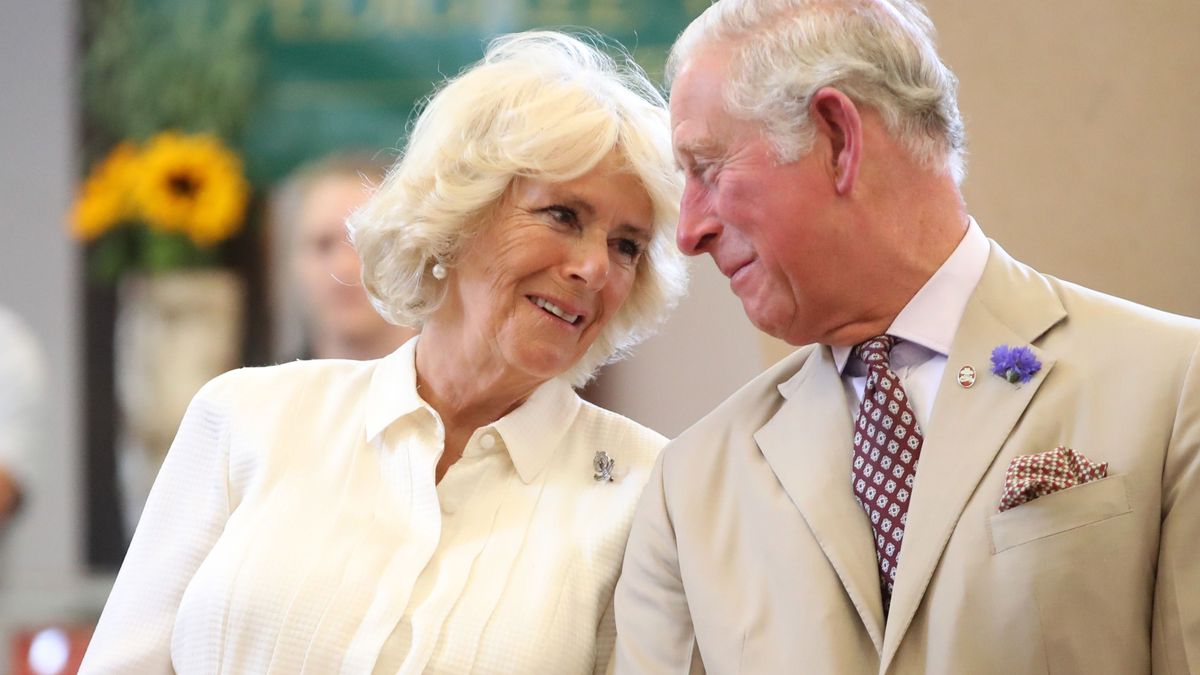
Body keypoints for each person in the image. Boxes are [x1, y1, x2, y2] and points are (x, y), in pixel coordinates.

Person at [613, 1, 1200, 673]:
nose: (689, 232)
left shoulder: (1175, 384)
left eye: (708, 168)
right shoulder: (690, 487)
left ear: (837, 137)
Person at [81, 30, 686, 674]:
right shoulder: (247, 417)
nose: (595, 267)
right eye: (563, 214)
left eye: (627, 245)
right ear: (462, 215)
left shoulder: (649, 490)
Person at [269, 152, 418, 361]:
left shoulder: (464, 390)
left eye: (365, 244)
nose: (344, 267)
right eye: (323, 245)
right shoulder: (265, 391)